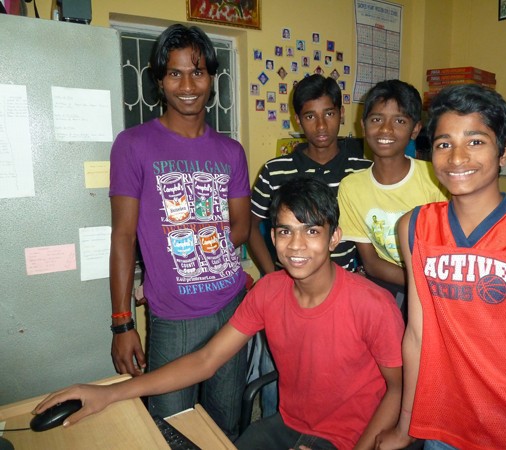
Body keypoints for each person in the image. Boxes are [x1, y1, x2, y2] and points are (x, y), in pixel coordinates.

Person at [34, 178, 405, 450]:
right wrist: (110, 393)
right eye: (285, 232)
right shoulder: (269, 291)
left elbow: (398, 388)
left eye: (311, 231)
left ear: (334, 237)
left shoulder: (372, 305)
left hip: (352, 437)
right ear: (272, 236)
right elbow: (206, 359)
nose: (296, 246)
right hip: (288, 424)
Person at [376, 84, 506, 449]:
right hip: (444, 429)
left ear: (504, 151)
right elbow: (417, 336)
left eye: (475, 141)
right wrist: (405, 427)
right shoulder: (414, 228)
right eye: (444, 144)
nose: (457, 158)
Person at [108, 24, 250, 439]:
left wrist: (200, 253)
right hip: (173, 317)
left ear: (212, 78)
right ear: (159, 80)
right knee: (172, 430)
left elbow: (241, 227)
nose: (188, 86)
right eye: (175, 73)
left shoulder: (231, 151)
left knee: (225, 425)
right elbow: (123, 237)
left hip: (232, 309)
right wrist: (122, 323)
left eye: (198, 72)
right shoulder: (133, 145)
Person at [247, 73, 373, 418]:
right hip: (289, 294)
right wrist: (271, 272)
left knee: (337, 381)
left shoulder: (363, 171)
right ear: (297, 120)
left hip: (345, 293)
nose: (320, 125)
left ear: (341, 114)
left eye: (329, 113)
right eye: (310, 115)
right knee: (277, 376)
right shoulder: (275, 170)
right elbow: (250, 226)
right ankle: (276, 428)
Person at [337, 80, 447, 307]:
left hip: (440, 285)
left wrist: (431, 286)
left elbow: (447, 251)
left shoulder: (435, 178)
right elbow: (371, 262)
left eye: (399, 121)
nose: (385, 129)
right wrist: (419, 284)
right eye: (376, 119)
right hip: (391, 284)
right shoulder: (351, 187)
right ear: (363, 126)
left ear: (415, 129)